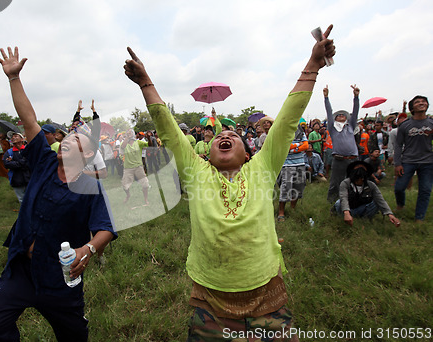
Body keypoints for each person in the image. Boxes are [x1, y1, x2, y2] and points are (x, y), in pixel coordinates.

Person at [124, 23, 335, 341]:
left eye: (233, 135)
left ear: (249, 154)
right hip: (212, 296)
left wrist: (314, 65)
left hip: (266, 290)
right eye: (220, 135)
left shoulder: (262, 169)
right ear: (206, 153)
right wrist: (145, 82)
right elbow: (167, 128)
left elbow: (289, 117)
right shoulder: (196, 174)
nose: (224, 134)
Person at [0, 47, 117, 341]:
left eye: (75, 140)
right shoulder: (42, 161)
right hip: (21, 271)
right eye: (66, 138)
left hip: (60, 279)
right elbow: (29, 120)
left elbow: (105, 228)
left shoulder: (91, 187)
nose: (66, 141)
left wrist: (88, 249)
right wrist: (14, 78)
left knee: (73, 336)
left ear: (88, 153)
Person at [394, 95, 433, 222]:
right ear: (412, 108)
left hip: (428, 162)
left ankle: (419, 217)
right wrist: (397, 163)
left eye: (424, 102)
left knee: (425, 190)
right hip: (408, 161)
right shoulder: (405, 125)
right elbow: (398, 145)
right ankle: (400, 205)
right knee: (399, 187)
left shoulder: (431, 123)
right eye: (418, 102)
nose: (421, 103)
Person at [334, 161, 400, 227]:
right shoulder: (345, 183)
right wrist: (346, 212)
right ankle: (344, 218)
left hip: (362, 208)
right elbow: (344, 198)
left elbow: (380, 200)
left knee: (376, 203)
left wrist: (390, 215)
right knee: (338, 203)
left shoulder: (371, 185)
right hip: (348, 209)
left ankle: (364, 220)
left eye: (362, 168)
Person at [324, 84, 360, 203]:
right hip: (339, 159)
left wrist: (356, 97)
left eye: (343, 115)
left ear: (346, 118)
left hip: (353, 159)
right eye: (338, 115)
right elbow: (329, 113)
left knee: (354, 180)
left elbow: (355, 112)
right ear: (335, 119)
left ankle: (351, 201)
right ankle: (332, 203)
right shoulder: (332, 128)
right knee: (335, 182)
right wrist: (326, 98)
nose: (341, 115)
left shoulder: (350, 127)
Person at [277, 125, 308, 221]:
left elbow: (306, 146)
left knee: (298, 186)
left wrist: (292, 148)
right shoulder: (282, 134)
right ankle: (281, 212)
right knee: (286, 187)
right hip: (287, 164)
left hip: (300, 163)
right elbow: (284, 147)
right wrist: (299, 145)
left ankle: (292, 208)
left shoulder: (301, 133)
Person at [120, 129, 150, 205]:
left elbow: (149, 144)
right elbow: (122, 147)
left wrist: (149, 138)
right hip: (128, 168)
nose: (129, 134)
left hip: (138, 167)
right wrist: (127, 137)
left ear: (134, 134)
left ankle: (145, 199)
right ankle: (128, 195)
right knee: (125, 186)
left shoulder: (138, 142)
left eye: (131, 133)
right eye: (128, 133)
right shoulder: (124, 143)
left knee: (145, 185)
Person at [3, 131, 30, 204]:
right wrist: (22, 162)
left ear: (22, 139)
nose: (13, 138)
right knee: (21, 199)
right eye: (12, 137)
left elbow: (29, 162)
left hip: (29, 177)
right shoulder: (9, 152)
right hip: (16, 178)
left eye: (16, 136)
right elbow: (6, 164)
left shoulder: (28, 150)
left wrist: (14, 162)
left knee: (30, 197)